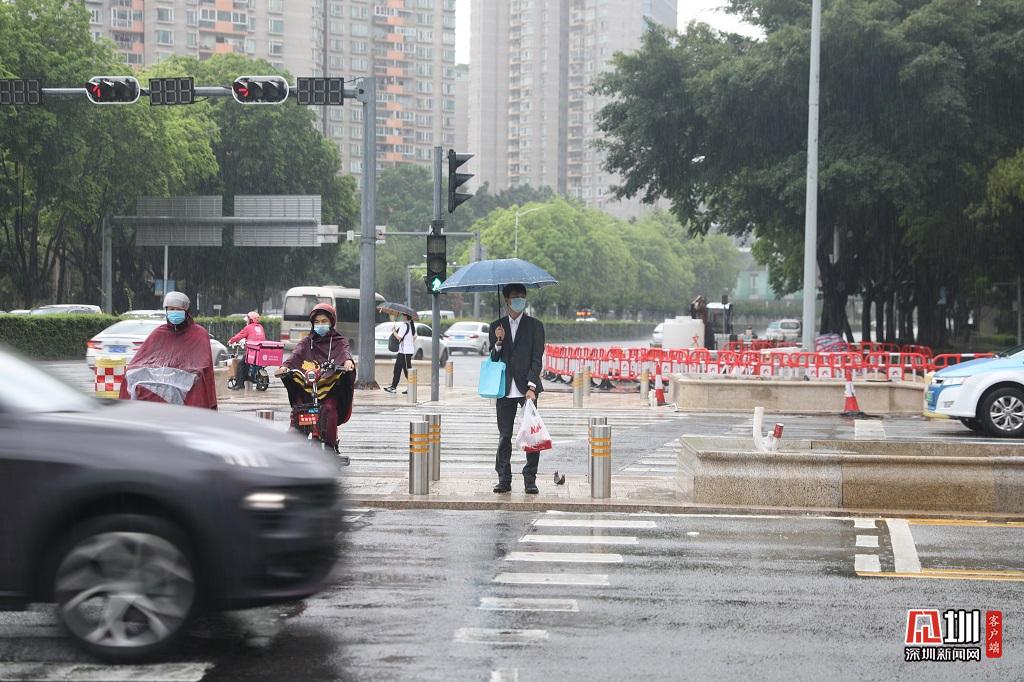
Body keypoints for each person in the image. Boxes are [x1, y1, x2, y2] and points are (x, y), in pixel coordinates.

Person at [275, 303, 355, 453]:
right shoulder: (307, 342)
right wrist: (285, 367)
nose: (320, 324)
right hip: (307, 388)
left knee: (329, 409)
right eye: (317, 322)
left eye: (324, 321)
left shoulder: (338, 341)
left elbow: (345, 353)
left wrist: (348, 362)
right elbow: (295, 355)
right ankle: (294, 445)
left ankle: (330, 448)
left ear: (331, 322)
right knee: (299, 409)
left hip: (328, 388)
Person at [488, 283, 546, 494]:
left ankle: (530, 479)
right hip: (504, 388)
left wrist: (532, 387)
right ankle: (504, 478)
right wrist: (499, 341)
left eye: (522, 295)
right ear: (507, 300)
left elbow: (536, 359)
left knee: (532, 435)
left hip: (527, 389)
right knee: (504, 436)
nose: (520, 299)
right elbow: (494, 358)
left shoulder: (535, 326)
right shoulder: (496, 326)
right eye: (515, 296)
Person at [119, 291, 218, 409]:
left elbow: (202, 365)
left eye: (178, 309)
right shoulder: (159, 333)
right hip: (161, 381)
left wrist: (186, 373)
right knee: (130, 376)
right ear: (166, 311)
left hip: (188, 382)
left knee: (197, 383)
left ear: (186, 311)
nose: (174, 312)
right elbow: (142, 359)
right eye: (171, 309)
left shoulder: (198, 334)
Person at [227, 311, 267, 389]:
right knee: (247, 363)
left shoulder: (248, 327)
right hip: (261, 351)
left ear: (251, 320)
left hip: (253, 351)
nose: (247, 321)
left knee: (241, 364)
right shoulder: (260, 327)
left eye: (248, 319)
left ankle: (240, 384)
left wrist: (231, 341)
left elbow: (239, 336)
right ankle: (249, 378)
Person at [383, 313, 415, 394]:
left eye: (403, 315)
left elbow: (399, 337)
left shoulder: (405, 326)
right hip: (403, 352)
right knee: (397, 369)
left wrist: (394, 331)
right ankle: (393, 387)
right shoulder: (411, 325)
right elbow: (415, 337)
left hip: (405, 352)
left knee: (407, 370)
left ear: (406, 317)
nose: (402, 316)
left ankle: (411, 388)